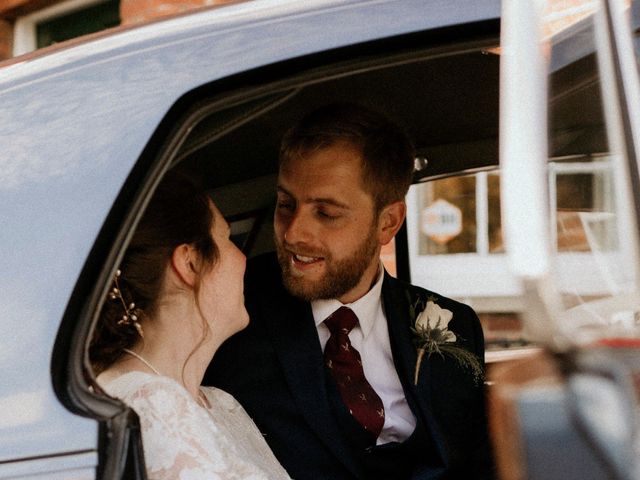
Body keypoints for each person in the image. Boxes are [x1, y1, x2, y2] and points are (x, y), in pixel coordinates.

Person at [205, 103, 494, 479]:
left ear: (388, 222)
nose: (293, 233)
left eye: (326, 213)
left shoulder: (454, 323)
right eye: (285, 205)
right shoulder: (230, 310)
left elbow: (474, 461)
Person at [90, 171, 291, 480]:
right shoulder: (153, 405)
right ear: (190, 263)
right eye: (228, 239)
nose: (244, 259)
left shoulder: (219, 401)